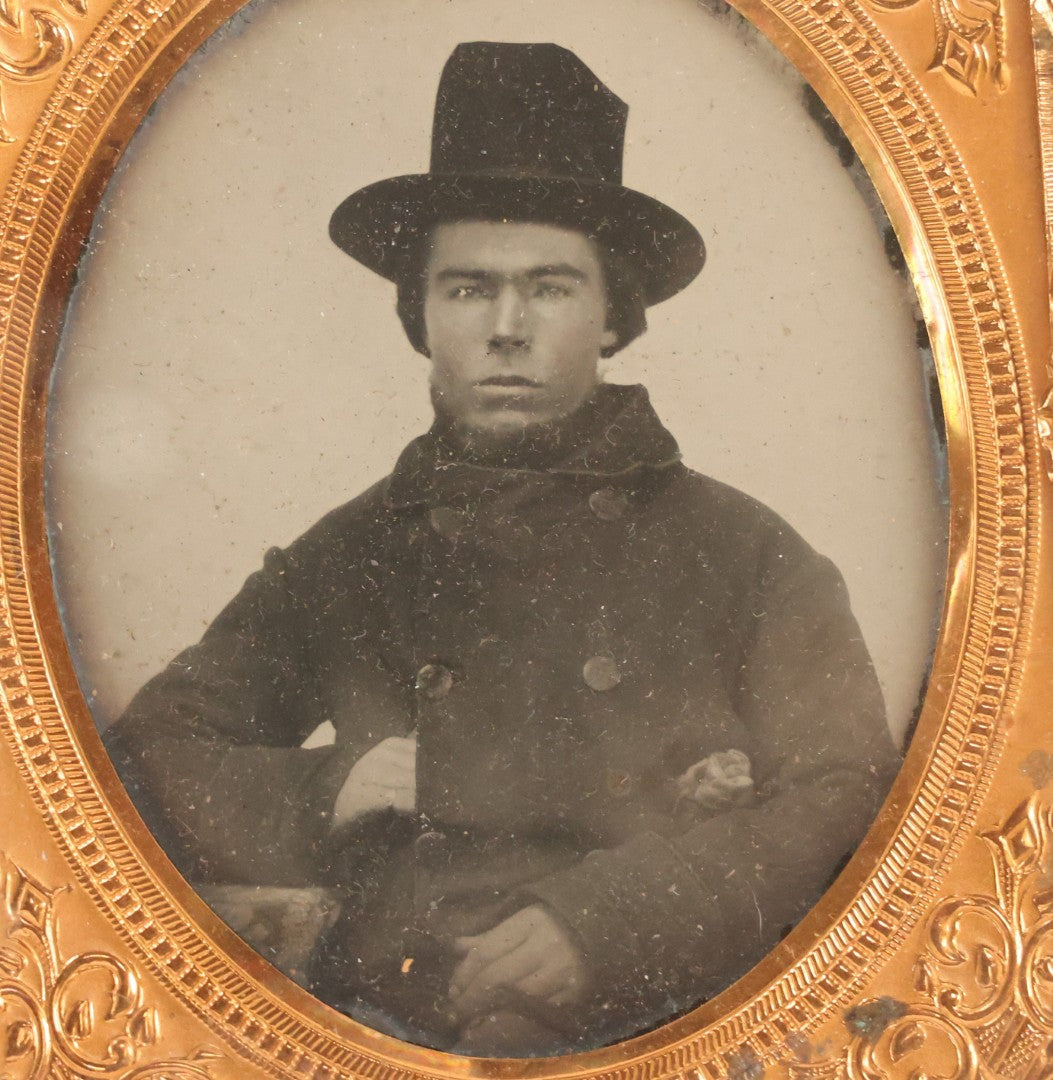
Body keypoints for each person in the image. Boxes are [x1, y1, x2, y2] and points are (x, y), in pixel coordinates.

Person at [105, 41, 900, 1057]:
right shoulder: (349, 558)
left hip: (653, 1028)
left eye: (553, 288)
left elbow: (848, 798)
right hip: (379, 1029)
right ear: (420, 316)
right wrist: (332, 789)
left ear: (615, 314)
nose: (509, 328)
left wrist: (609, 924)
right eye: (470, 290)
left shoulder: (748, 556)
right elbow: (147, 761)